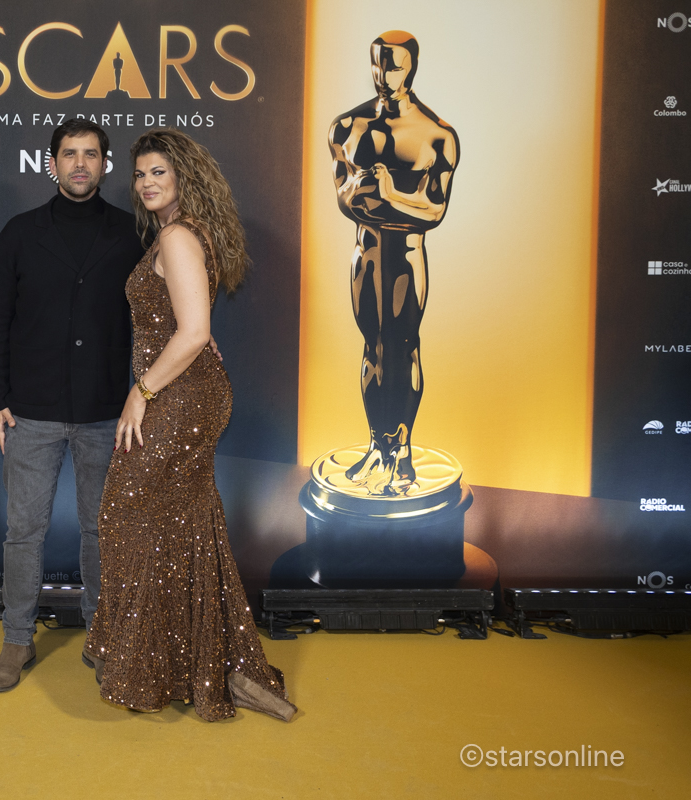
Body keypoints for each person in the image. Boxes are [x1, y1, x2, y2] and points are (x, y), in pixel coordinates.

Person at [85, 129, 297, 722]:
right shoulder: (182, 233)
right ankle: (209, 664)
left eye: (159, 171)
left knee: (128, 515)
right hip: (188, 391)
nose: (147, 183)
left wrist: (141, 392)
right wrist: (190, 351)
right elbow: (190, 323)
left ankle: (160, 665)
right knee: (182, 525)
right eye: (140, 174)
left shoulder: (178, 236)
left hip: (176, 399)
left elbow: (195, 330)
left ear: (184, 175)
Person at [0, 119, 146, 692]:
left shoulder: (132, 234)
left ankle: (102, 636)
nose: (80, 164)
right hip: (31, 411)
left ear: (104, 164)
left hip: (107, 412)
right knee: (23, 532)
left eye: (91, 154)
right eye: (70, 154)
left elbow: (157, 315)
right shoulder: (19, 233)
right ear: (52, 163)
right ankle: (16, 639)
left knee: (102, 532)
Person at [327, 30, 459, 496]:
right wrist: (396, 199)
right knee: (372, 348)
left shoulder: (437, 134)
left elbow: (435, 210)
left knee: (401, 349)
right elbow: (345, 200)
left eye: (394, 66)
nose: (383, 75)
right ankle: (377, 446)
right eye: (377, 64)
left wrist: (385, 193)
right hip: (365, 254)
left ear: (412, 67)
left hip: (405, 257)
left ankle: (400, 455)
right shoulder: (347, 127)